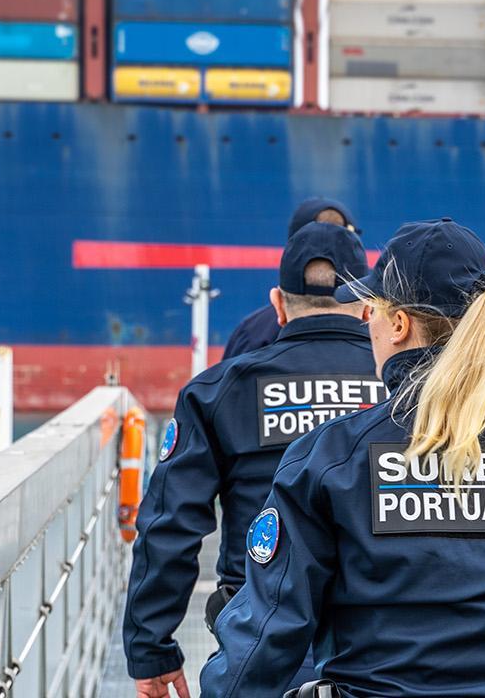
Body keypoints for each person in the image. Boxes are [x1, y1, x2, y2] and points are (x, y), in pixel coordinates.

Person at [201, 218, 485, 698]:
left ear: (398, 324)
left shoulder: (330, 461)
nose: (364, 321)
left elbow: (266, 638)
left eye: (370, 309)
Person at [124, 222, 386, 698]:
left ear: (278, 305)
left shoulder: (218, 392)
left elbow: (171, 525)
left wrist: (152, 650)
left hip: (258, 646)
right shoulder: (410, 391)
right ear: (367, 306)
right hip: (386, 649)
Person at [223, 198, 363, 361]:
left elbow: (228, 379)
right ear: (367, 309)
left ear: (278, 303)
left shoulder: (254, 330)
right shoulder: (386, 333)